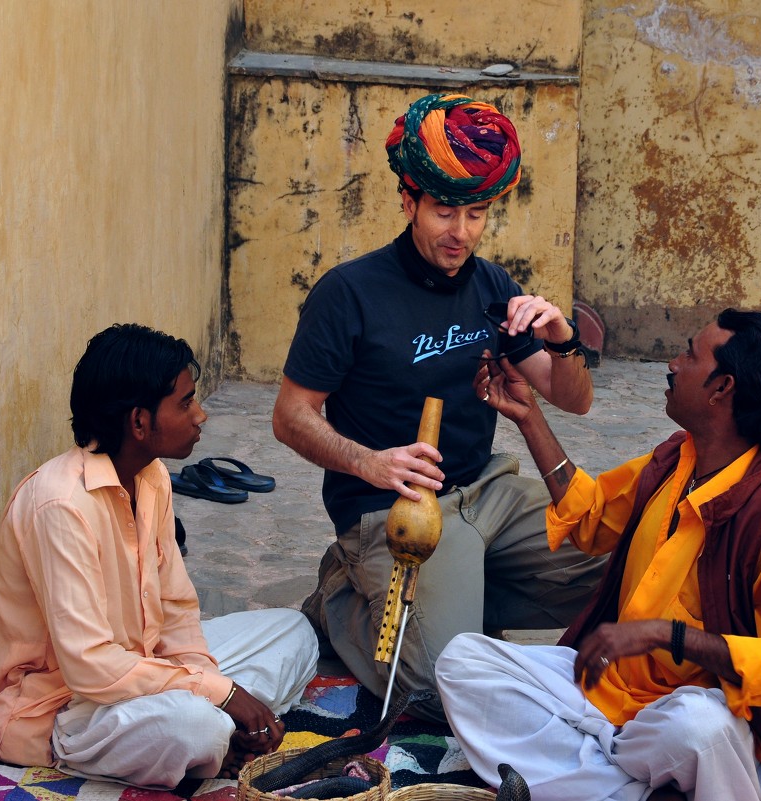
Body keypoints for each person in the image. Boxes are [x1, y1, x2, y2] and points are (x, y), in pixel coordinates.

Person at [272, 93, 606, 721]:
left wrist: (562, 337)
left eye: (476, 214)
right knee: (434, 693)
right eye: (445, 212)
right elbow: (290, 416)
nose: (461, 233)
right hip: (396, 510)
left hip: (488, 493)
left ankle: (460, 597)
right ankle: (343, 598)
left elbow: (572, 399)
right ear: (409, 202)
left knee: (630, 571)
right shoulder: (348, 293)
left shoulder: (492, 286)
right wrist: (373, 464)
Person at [435, 309, 761, 801]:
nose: (673, 363)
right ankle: (636, 789)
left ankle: (593, 772)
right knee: (463, 662)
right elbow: (591, 519)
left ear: (722, 388)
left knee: (699, 729)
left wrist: (668, 636)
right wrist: (528, 415)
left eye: (688, 353)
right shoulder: (677, 460)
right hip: (607, 695)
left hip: (684, 720)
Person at [0, 324, 318, 788]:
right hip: (64, 704)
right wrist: (223, 696)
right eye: (185, 402)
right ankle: (210, 738)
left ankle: (214, 732)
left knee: (293, 632)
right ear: (139, 422)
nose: (201, 415)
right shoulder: (60, 505)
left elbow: (175, 611)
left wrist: (213, 686)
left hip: (143, 669)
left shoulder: (152, 478)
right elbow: (90, 667)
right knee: (199, 727)